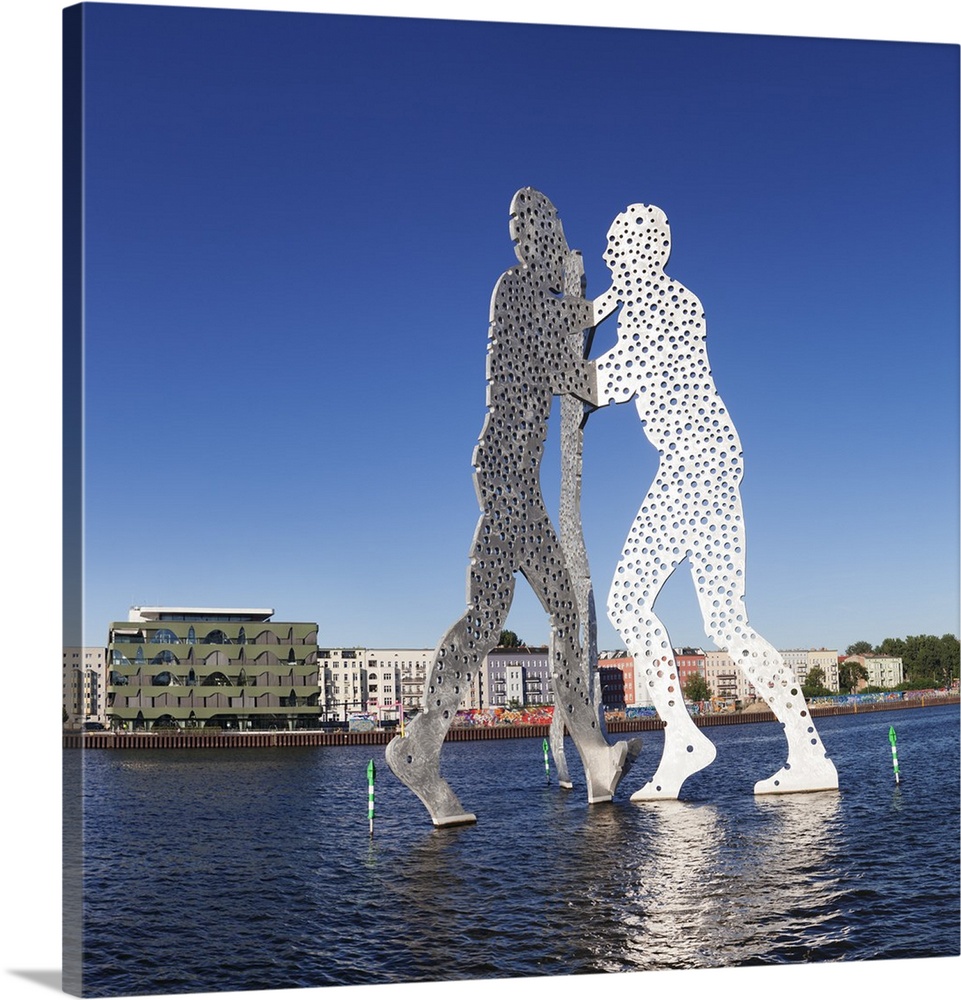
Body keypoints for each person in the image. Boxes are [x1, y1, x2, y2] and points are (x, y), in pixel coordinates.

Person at [385, 189, 639, 825]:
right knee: (533, 615)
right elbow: (578, 375)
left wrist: (608, 300)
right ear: (535, 248)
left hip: (509, 478)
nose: (559, 258)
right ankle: (427, 746)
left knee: (523, 613)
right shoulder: (520, 293)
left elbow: (575, 320)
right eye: (553, 246)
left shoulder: (532, 300)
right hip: (508, 479)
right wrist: (636, 353)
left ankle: (583, 755)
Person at [585, 203, 838, 798]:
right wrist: (594, 309)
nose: (605, 257)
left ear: (642, 251)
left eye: (614, 246)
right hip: (711, 462)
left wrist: (553, 364)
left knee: (626, 600)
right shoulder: (656, 301)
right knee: (727, 619)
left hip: (694, 465)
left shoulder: (667, 304)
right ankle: (808, 755)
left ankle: (682, 737)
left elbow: (616, 379)